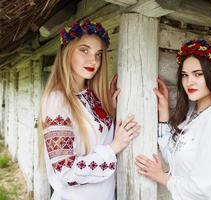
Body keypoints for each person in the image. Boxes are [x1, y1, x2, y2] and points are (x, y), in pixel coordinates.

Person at [38, 19, 140, 200]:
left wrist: (111, 110)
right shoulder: (57, 100)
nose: (93, 60)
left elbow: (97, 137)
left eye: (98, 54)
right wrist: (114, 147)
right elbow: (66, 172)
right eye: (84, 50)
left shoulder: (91, 96)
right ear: (67, 52)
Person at [135, 39, 211, 200]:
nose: (189, 82)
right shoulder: (192, 113)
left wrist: (162, 177)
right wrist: (164, 110)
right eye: (185, 75)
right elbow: (172, 153)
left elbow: (201, 188)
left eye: (198, 74)